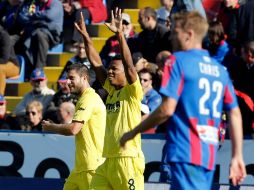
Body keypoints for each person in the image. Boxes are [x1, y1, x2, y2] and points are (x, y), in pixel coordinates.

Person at [120, 11, 246, 189]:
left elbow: (167, 109)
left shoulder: (177, 61)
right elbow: (234, 113)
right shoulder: (219, 70)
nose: (171, 37)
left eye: (175, 32)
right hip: (207, 155)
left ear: (189, 35)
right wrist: (237, 155)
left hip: (185, 150)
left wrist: (133, 132)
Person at [75, 8, 145, 189]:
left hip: (128, 160)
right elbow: (97, 64)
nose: (110, 72)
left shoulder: (132, 92)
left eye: (115, 69)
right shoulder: (111, 90)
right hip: (107, 161)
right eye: (110, 68)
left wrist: (120, 34)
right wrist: (86, 37)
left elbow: (129, 66)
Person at [42, 63, 106, 190]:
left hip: (93, 168)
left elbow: (74, 129)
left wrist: (51, 127)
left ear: (84, 78)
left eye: (72, 78)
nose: (67, 82)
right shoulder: (83, 99)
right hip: (80, 169)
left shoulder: (89, 99)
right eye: (67, 78)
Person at [0, 25, 20, 95]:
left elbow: (4, 59)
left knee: (0, 69)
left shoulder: (4, 36)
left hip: (12, 65)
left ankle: (0, 97)